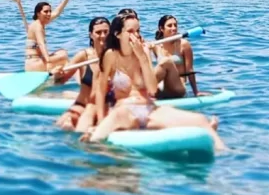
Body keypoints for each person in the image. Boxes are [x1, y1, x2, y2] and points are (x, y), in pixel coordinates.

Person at [85, 13, 226, 151]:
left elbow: (152, 89)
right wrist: (101, 120)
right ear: (118, 34)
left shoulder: (144, 52)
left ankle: (225, 154)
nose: (136, 35)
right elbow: (101, 90)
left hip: (149, 109)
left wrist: (143, 58)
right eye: (130, 31)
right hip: (124, 111)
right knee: (94, 140)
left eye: (138, 31)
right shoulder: (111, 55)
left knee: (200, 120)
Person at [56, 16, 110, 133]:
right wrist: (57, 75)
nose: (103, 35)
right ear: (91, 35)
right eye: (98, 32)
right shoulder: (83, 56)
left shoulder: (116, 56)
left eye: (106, 32)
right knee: (64, 122)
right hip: (82, 105)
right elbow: (60, 82)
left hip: (104, 107)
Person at [24, 0, 77, 72]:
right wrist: (48, 60)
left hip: (34, 63)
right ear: (38, 13)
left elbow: (57, 12)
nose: (48, 14)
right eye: (45, 12)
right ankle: (58, 75)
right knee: (63, 56)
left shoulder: (40, 22)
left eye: (49, 11)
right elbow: (41, 44)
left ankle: (57, 72)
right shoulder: (38, 26)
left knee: (62, 52)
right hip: (35, 64)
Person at [152, 14, 203, 98]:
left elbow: (190, 70)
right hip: (162, 86)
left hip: (178, 86)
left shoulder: (184, 44)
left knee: (166, 62)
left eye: (175, 25)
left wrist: (196, 92)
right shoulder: (156, 46)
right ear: (161, 29)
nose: (174, 28)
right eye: (169, 26)